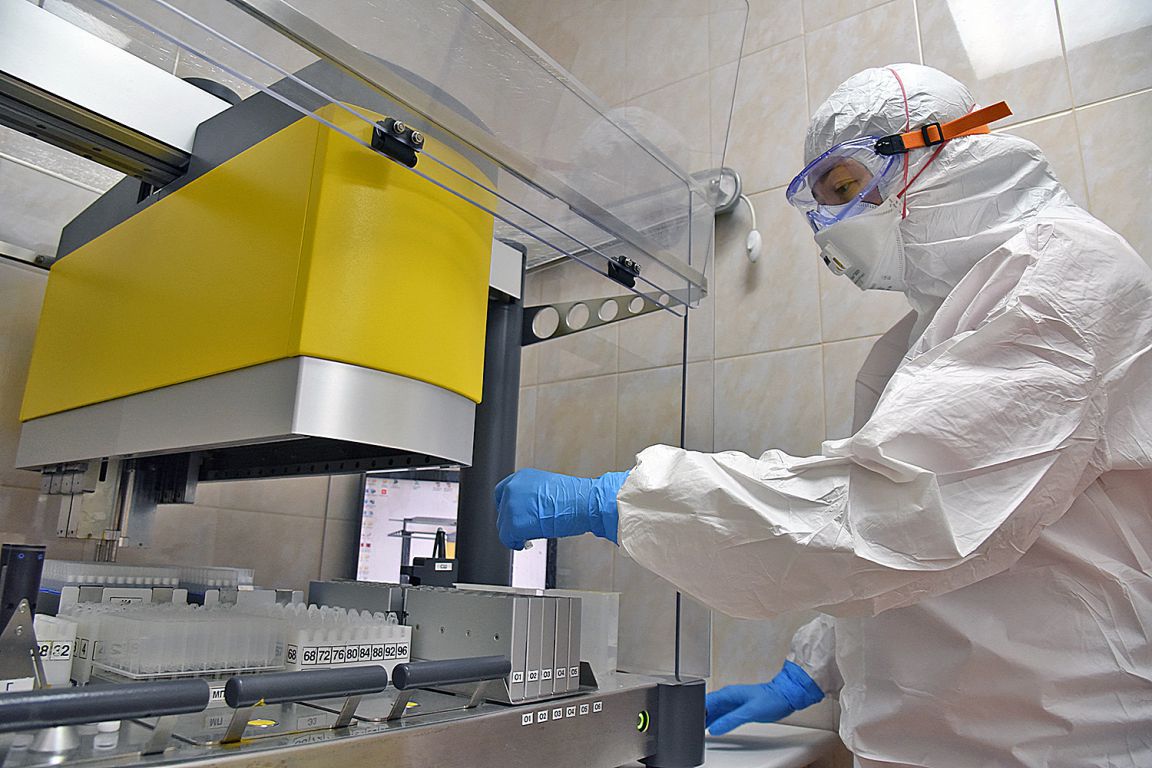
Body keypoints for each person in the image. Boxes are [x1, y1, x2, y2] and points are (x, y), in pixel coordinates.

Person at [495, 63, 1152, 767]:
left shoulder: (1059, 276)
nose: (833, 225)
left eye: (844, 188)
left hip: (1058, 742)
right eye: (824, 202)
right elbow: (901, 560)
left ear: (932, 147)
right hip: (957, 737)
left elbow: (894, 515)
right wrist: (810, 672)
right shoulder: (927, 332)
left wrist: (617, 499)